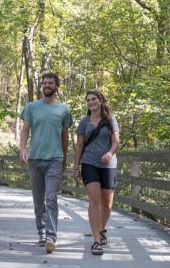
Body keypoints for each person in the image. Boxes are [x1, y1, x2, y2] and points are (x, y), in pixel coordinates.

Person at [19, 72, 73, 253]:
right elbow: (25, 129)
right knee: (38, 201)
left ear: (56, 86)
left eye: (50, 82)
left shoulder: (64, 110)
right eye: (44, 83)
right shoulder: (32, 107)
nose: (47, 85)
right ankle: (41, 232)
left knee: (51, 198)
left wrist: (65, 158)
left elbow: (65, 136)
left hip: (54, 160)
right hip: (35, 159)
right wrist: (23, 148)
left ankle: (51, 237)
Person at [73, 89, 119, 255]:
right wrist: (76, 167)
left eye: (94, 99)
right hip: (89, 163)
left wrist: (110, 153)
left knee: (107, 204)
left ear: (101, 100)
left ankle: (102, 228)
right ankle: (96, 240)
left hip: (108, 165)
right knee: (94, 202)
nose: (91, 102)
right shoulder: (84, 122)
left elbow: (116, 142)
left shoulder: (110, 120)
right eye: (88, 100)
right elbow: (79, 146)